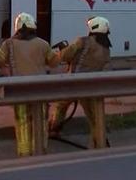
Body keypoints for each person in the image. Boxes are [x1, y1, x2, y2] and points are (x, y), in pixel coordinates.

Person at [0, 12, 59, 156]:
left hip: (19, 90)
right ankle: (40, 151)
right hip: (40, 91)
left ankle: (24, 154)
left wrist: (5, 65)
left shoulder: (8, 44)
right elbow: (53, 62)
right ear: (33, 27)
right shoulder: (43, 44)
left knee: (22, 122)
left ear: (17, 28)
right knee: (40, 121)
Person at [48, 15, 112, 148]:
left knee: (61, 105)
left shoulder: (82, 41)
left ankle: (54, 129)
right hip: (92, 87)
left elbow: (65, 54)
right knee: (94, 118)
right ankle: (100, 142)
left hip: (74, 83)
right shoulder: (106, 49)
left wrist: (52, 58)